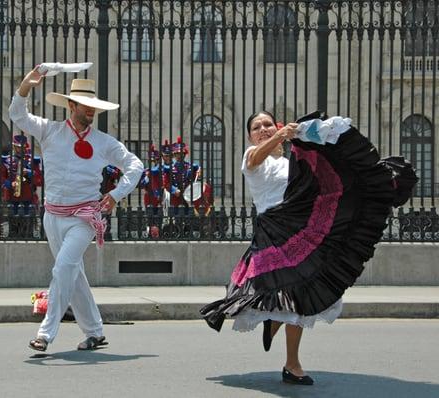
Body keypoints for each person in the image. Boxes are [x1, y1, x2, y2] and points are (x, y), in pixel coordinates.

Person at [200, 110, 417, 385]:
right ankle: (274, 323)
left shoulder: (291, 162)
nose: (263, 129)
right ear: (250, 135)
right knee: (280, 291)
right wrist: (280, 135)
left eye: (268, 124)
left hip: (300, 227)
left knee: (301, 292)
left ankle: (291, 361)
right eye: (257, 127)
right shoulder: (252, 157)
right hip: (273, 233)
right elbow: (255, 159)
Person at [9, 66, 143, 352]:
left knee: (63, 268)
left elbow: (135, 165)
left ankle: (45, 334)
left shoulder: (103, 142)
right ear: (71, 105)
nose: (91, 111)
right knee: (72, 272)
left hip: (84, 218)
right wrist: (24, 89)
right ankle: (95, 331)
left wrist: (117, 194)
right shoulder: (50, 131)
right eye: (86, 105)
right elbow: (17, 116)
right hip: (52, 216)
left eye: (94, 106)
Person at [0, 133, 43, 237]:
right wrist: (10, 183)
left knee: (28, 221)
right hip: (12, 196)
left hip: (28, 196)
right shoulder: (6, 160)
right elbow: (0, 177)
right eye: (17, 147)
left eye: (21, 147)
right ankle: (13, 236)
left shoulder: (32, 161)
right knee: (13, 220)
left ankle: (28, 235)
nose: (19, 149)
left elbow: (40, 180)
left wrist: (30, 172)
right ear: (13, 146)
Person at [139, 144, 163, 238]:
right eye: (153, 161)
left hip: (160, 198)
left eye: (156, 160)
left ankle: (159, 233)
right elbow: (140, 185)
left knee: (159, 217)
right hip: (149, 197)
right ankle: (150, 233)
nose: (154, 162)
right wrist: (147, 178)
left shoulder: (162, 171)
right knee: (150, 217)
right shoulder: (145, 172)